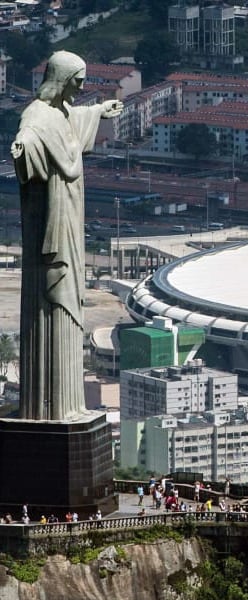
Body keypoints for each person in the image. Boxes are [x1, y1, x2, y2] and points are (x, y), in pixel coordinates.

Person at [11, 51, 123, 420]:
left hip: (71, 210)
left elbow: (71, 118)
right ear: (61, 78)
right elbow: (29, 133)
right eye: (77, 80)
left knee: (70, 293)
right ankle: (48, 409)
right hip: (52, 216)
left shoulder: (60, 111)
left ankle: (68, 406)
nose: (81, 86)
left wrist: (98, 111)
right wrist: (23, 148)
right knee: (51, 299)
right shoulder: (37, 115)